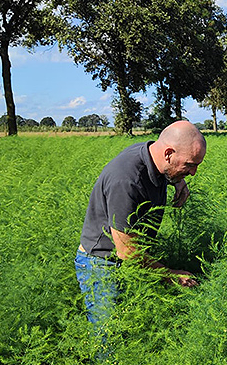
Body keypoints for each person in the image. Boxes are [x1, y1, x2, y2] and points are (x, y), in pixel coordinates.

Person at [75, 120, 205, 326]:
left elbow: (163, 162)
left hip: (133, 260)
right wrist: (170, 275)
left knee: (134, 324)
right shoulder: (126, 181)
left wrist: (178, 180)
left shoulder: (154, 154)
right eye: (190, 165)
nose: (193, 173)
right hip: (103, 265)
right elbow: (128, 252)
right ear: (169, 153)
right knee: (109, 334)